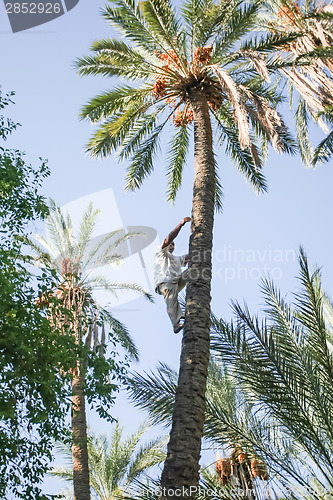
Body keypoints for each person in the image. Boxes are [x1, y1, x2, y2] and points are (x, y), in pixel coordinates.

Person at [154, 217, 191, 333]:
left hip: (176, 281)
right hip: (165, 282)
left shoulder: (175, 258)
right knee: (172, 301)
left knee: (192, 272)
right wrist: (181, 224)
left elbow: (189, 257)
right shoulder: (160, 251)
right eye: (170, 244)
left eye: (174, 245)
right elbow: (169, 238)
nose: (172, 245)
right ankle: (176, 323)